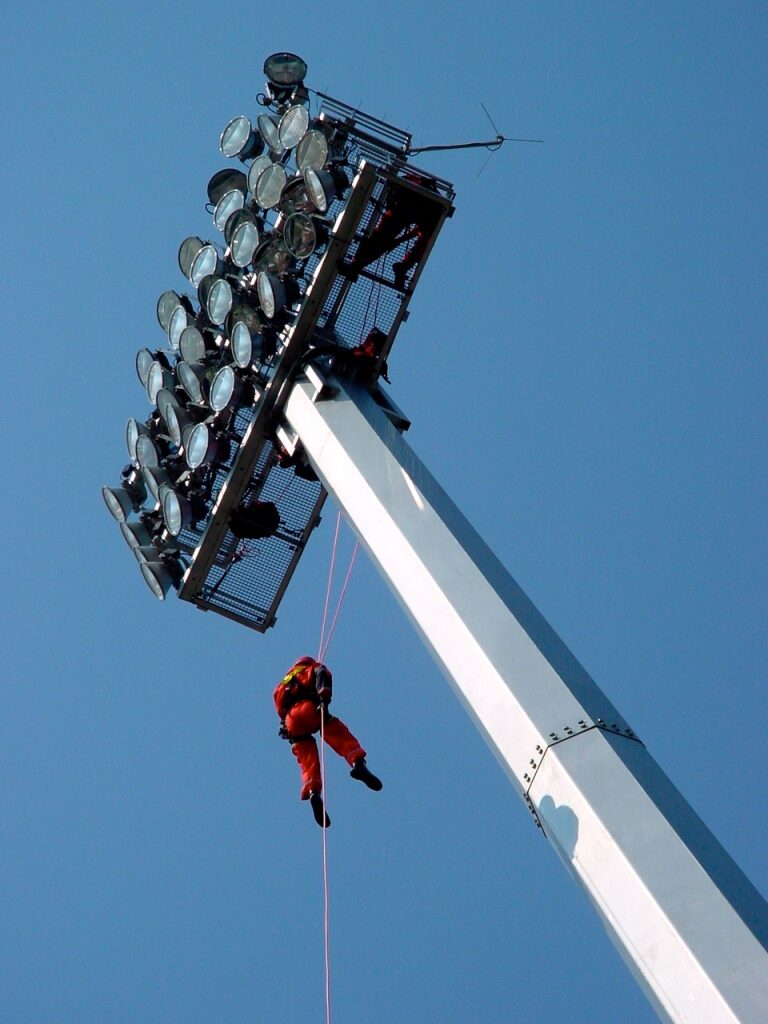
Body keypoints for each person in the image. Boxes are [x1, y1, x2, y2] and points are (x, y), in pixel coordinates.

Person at [275, 656, 382, 827]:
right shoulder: (310, 669)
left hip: (291, 721)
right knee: (337, 732)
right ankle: (358, 764)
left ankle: (313, 792)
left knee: (307, 762)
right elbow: (322, 674)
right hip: (310, 709)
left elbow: (280, 711)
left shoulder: (280, 687)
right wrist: (324, 699)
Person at [345, 173, 442, 290]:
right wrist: (397, 240)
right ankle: (356, 266)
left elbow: (422, 232)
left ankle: (358, 266)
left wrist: (398, 240)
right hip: (403, 206)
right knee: (381, 239)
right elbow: (421, 231)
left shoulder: (431, 211)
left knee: (382, 239)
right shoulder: (425, 201)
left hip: (405, 209)